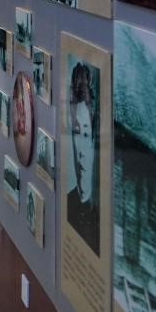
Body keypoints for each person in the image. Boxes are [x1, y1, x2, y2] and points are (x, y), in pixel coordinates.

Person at [66, 63, 100, 255]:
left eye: (86, 135)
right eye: (76, 134)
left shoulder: (99, 218)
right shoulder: (68, 205)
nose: (81, 152)